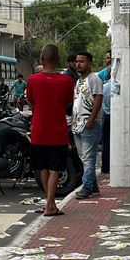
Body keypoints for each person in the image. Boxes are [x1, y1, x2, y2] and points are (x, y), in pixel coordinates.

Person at [25, 44, 72, 217]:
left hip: (39, 130)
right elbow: (67, 101)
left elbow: (31, 101)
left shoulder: (32, 80)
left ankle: (49, 204)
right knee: (55, 169)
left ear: (42, 58)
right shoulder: (66, 81)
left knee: (42, 168)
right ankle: (50, 205)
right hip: (58, 130)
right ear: (57, 58)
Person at [71, 52, 104, 199]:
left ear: (89, 63)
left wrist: (91, 119)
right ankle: (93, 186)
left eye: (82, 61)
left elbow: (98, 98)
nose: (78, 64)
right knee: (84, 157)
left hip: (90, 125)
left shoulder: (94, 79)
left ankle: (87, 187)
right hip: (77, 124)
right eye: (77, 61)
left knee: (89, 158)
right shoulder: (79, 82)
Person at [97, 51, 112, 174]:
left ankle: (106, 166)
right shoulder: (102, 76)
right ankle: (106, 166)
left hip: (107, 115)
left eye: (110, 58)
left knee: (107, 142)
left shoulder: (106, 86)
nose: (108, 60)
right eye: (107, 58)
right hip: (106, 114)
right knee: (107, 142)